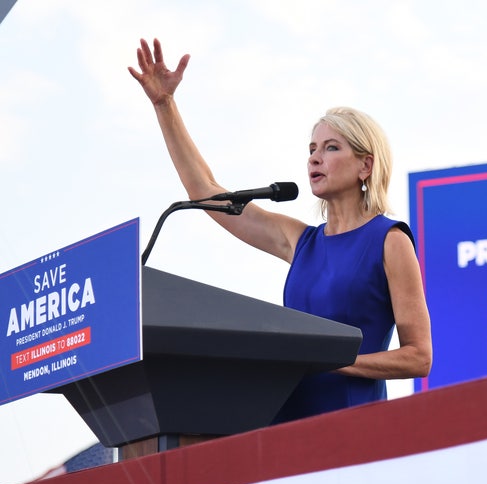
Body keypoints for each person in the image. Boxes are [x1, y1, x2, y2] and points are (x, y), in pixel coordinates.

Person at [128, 38, 432, 420]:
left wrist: (330, 361)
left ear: (366, 166)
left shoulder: (389, 240)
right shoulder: (300, 240)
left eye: (331, 148)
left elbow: (419, 357)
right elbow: (204, 191)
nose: (315, 158)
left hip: (352, 426)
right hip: (283, 421)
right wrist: (165, 106)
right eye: (311, 149)